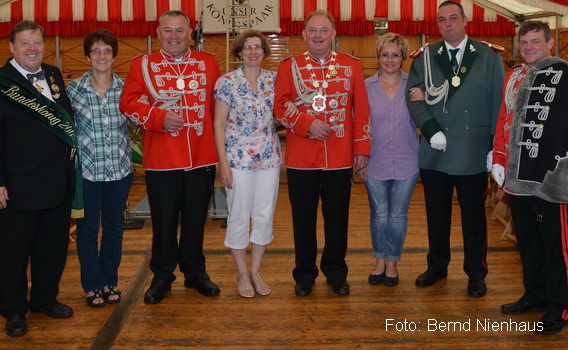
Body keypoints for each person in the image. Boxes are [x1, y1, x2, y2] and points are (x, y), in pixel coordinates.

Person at [120, 10, 221, 304]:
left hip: (201, 158)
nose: (174, 36)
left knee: (195, 220)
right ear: (158, 32)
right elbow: (128, 104)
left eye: (179, 30)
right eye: (168, 31)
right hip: (162, 158)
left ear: (190, 33)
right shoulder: (144, 65)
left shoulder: (208, 63)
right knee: (163, 223)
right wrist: (158, 118)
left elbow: (221, 107)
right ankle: (162, 275)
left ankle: (195, 272)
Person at [406, 0, 505, 297]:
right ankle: (437, 265)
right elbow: (414, 98)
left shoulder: (488, 56)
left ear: (465, 21)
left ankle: (476, 272)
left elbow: (499, 104)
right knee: (436, 215)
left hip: (473, 150)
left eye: (453, 18)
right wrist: (431, 129)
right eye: (442, 20)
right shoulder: (424, 58)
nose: (447, 24)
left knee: (474, 218)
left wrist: (494, 147)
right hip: (436, 151)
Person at [274, 10, 371, 296]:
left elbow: (362, 112)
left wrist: (361, 150)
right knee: (303, 219)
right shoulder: (288, 67)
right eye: (313, 31)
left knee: (337, 219)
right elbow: (279, 107)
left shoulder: (350, 66)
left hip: (339, 157)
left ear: (333, 34)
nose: (318, 36)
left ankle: (336, 271)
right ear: (304, 35)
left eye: (324, 30)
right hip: (301, 158)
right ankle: (304, 274)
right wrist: (307, 125)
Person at [0, 20, 76, 337]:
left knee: (52, 246)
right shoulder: (1, 82)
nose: (33, 48)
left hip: (57, 179)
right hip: (17, 183)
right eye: (25, 43)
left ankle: (45, 298)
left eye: (37, 42)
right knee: (14, 252)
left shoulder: (54, 74)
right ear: (12, 47)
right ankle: (14, 310)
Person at [492, 20, 568, 335]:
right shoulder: (514, 76)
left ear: (551, 43)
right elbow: (503, 118)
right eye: (524, 43)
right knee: (527, 240)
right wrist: (496, 157)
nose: (529, 48)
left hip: (552, 175)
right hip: (517, 174)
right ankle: (534, 294)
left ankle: (559, 305)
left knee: (555, 244)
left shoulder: (565, 75)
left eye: (535, 41)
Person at [213, 30, 297, 298]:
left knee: (263, 216)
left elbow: (283, 114)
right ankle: (241, 273)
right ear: (239, 52)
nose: (252, 52)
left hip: (269, 158)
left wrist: (292, 109)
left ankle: (256, 271)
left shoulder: (275, 80)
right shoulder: (226, 82)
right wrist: (223, 164)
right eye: (247, 48)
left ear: (264, 51)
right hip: (237, 159)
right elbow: (217, 124)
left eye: (257, 47)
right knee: (238, 215)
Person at [67, 29, 134, 308]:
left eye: (107, 51)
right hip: (87, 175)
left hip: (120, 171)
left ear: (114, 56)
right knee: (86, 229)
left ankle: (109, 281)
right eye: (96, 51)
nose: (102, 55)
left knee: (114, 228)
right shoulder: (73, 90)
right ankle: (92, 285)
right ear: (87, 56)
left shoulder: (126, 88)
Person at [362, 33, 420, 287]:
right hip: (374, 161)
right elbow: (359, 124)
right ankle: (379, 261)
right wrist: (359, 157)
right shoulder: (365, 87)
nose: (390, 59)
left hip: (408, 161)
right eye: (385, 54)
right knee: (379, 213)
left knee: (397, 215)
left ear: (403, 57)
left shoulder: (415, 86)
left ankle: (393, 263)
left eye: (395, 54)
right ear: (378, 56)